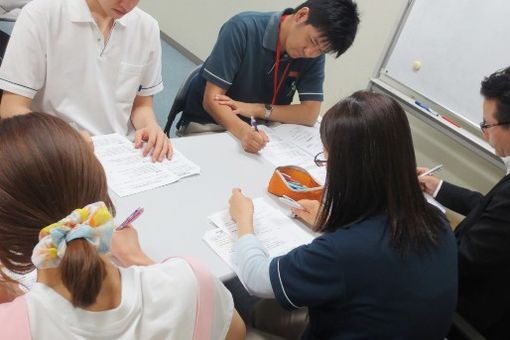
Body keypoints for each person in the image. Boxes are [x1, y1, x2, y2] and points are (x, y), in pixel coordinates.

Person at [228, 91, 458, 339]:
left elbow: (256, 278)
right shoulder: (436, 220)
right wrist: (330, 224)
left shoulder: (342, 252)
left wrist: (244, 220)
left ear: (349, 168)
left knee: (230, 292)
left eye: (326, 157)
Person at [0, 112, 245, 339]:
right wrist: (138, 257)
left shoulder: (12, 327)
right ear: (101, 191)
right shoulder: (191, 283)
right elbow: (234, 331)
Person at [0, 0, 171, 162]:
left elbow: (141, 104)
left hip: (120, 154)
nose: (127, 5)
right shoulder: (41, 15)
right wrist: (64, 137)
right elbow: (10, 108)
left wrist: (150, 126)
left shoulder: (147, 28)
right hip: (56, 151)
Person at [179, 0, 359, 153]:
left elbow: (310, 113)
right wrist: (244, 132)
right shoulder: (243, 28)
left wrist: (258, 109)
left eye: (321, 51)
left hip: (261, 131)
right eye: (312, 42)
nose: (310, 52)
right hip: (211, 125)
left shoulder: (313, 55)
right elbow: (211, 100)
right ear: (302, 15)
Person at [418, 67, 510, 339]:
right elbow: (491, 211)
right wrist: (438, 188)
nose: (484, 134)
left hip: (470, 313)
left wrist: (416, 219)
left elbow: (462, 260)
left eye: (487, 125)